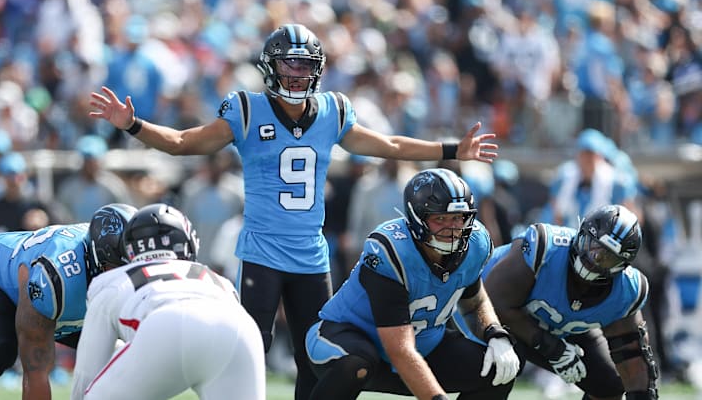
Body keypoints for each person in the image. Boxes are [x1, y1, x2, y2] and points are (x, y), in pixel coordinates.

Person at [88, 23, 498, 399]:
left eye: (307, 65)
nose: (299, 73)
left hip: (310, 256)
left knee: (314, 357)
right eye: (290, 63)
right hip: (262, 252)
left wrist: (450, 150)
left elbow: (388, 146)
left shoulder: (333, 111)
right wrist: (133, 125)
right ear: (271, 66)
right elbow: (182, 141)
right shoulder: (247, 110)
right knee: (246, 344)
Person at [305, 168, 520, 400]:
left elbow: (475, 301)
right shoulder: (392, 250)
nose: (452, 229)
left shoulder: (476, 242)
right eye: (440, 219)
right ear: (417, 218)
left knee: (499, 371)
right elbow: (400, 350)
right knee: (355, 364)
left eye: (458, 218)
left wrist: (495, 333)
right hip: (347, 340)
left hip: (422, 346)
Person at [459, 204, 659, 399]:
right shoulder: (545, 248)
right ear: (581, 234)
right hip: (489, 315)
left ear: (622, 266)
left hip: (557, 327)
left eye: (607, 259)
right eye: (594, 247)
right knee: (503, 364)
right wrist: (552, 348)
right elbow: (494, 303)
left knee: (609, 384)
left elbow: (633, 358)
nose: (594, 259)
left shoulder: (626, 290)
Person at [71, 203, 265, 400]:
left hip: (166, 325)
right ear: (189, 242)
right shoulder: (220, 281)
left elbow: (87, 373)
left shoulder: (111, 282)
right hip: (240, 329)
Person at [0, 203, 137, 399]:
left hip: (66, 295)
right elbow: (35, 373)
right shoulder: (55, 276)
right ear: (98, 256)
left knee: (122, 356)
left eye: (133, 266)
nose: (125, 275)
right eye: (118, 266)